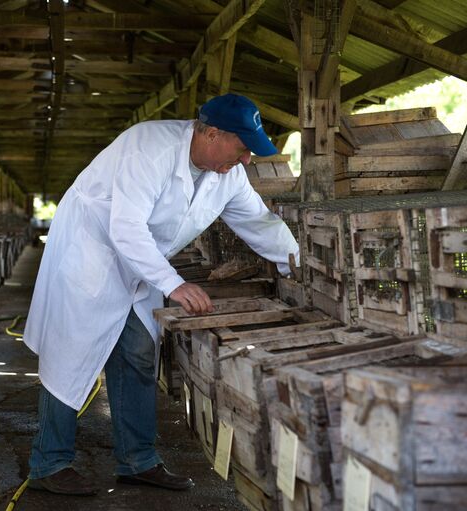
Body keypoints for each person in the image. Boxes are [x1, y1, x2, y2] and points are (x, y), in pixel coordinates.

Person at [23, 93, 300, 496]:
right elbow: (126, 229)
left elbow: (259, 222)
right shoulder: (148, 149)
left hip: (142, 261)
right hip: (92, 251)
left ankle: (138, 460)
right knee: (70, 354)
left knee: (137, 352)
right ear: (211, 133)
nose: (245, 160)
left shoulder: (229, 173)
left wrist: (297, 263)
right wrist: (174, 284)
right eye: (242, 148)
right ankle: (49, 462)